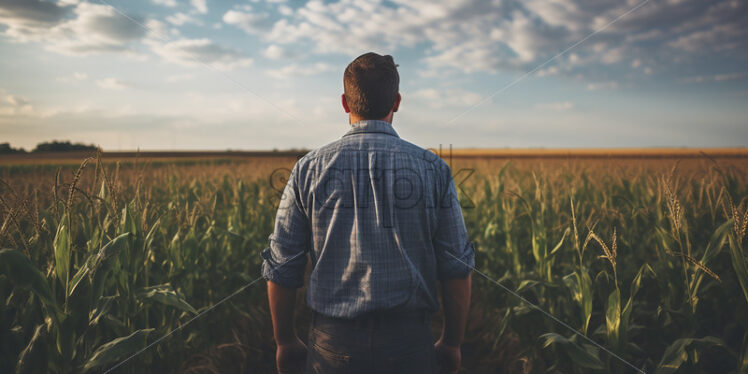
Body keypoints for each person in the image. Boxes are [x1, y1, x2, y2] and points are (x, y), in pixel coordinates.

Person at [261, 52, 475, 374]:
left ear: (345, 103)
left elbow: (283, 264)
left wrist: (284, 341)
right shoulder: (434, 169)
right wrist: (452, 343)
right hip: (410, 344)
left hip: (332, 345)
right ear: (397, 101)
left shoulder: (308, 168)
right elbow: (456, 266)